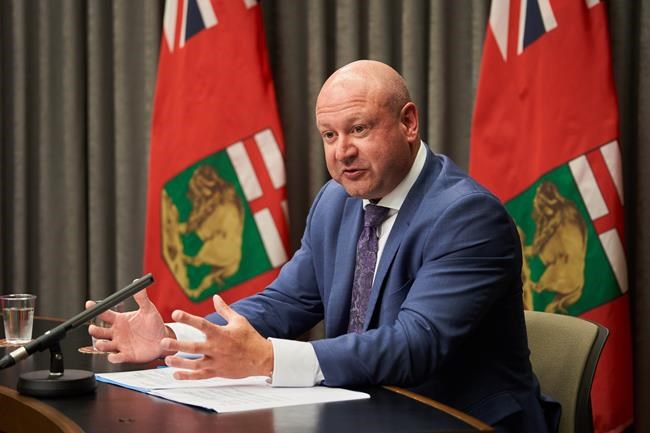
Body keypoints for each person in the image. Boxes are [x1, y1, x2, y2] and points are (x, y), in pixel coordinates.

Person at [89, 60, 558, 432]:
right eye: (330, 135)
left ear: (409, 123)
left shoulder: (467, 216)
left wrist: (269, 359)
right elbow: (286, 302)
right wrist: (178, 338)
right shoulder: (336, 201)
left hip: (459, 419)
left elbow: (416, 344)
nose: (341, 151)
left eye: (359, 129)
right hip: (366, 413)